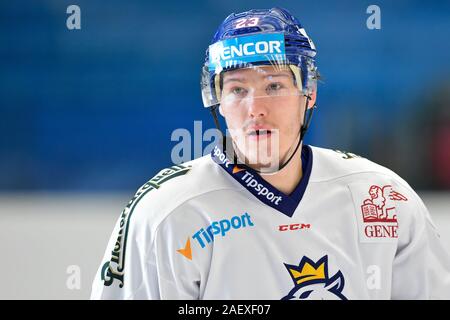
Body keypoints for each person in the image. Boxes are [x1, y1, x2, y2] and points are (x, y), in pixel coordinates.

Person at [91, 7, 450, 300]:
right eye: (236, 89)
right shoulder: (166, 213)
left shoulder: (382, 197)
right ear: (218, 102)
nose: (255, 108)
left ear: (309, 93)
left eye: (274, 85)